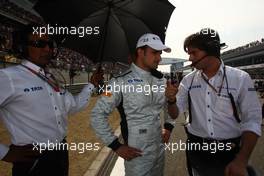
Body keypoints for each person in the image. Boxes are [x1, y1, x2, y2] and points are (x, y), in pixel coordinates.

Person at [0, 24, 102, 176]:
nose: (47, 49)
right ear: (22, 47)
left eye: (49, 44)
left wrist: (91, 85)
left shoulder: (50, 78)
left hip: (60, 153)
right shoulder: (8, 77)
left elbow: (73, 106)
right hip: (34, 161)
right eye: (39, 44)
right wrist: (4, 153)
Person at [165, 28, 262, 176]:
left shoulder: (241, 78)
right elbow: (174, 114)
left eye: (193, 53)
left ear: (210, 50)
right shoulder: (188, 80)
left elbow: (252, 121)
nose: (190, 58)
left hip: (230, 153)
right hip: (197, 151)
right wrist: (171, 100)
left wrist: (241, 160)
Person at [91, 33, 175, 176]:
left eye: (160, 53)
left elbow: (170, 109)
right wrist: (116, 146)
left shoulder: (161, 80)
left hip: (159, 151)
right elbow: (97, 114)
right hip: (137, 157)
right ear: (140, 52)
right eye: (154, 52)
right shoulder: (118, 82)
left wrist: (168, 126)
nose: (159, 58)